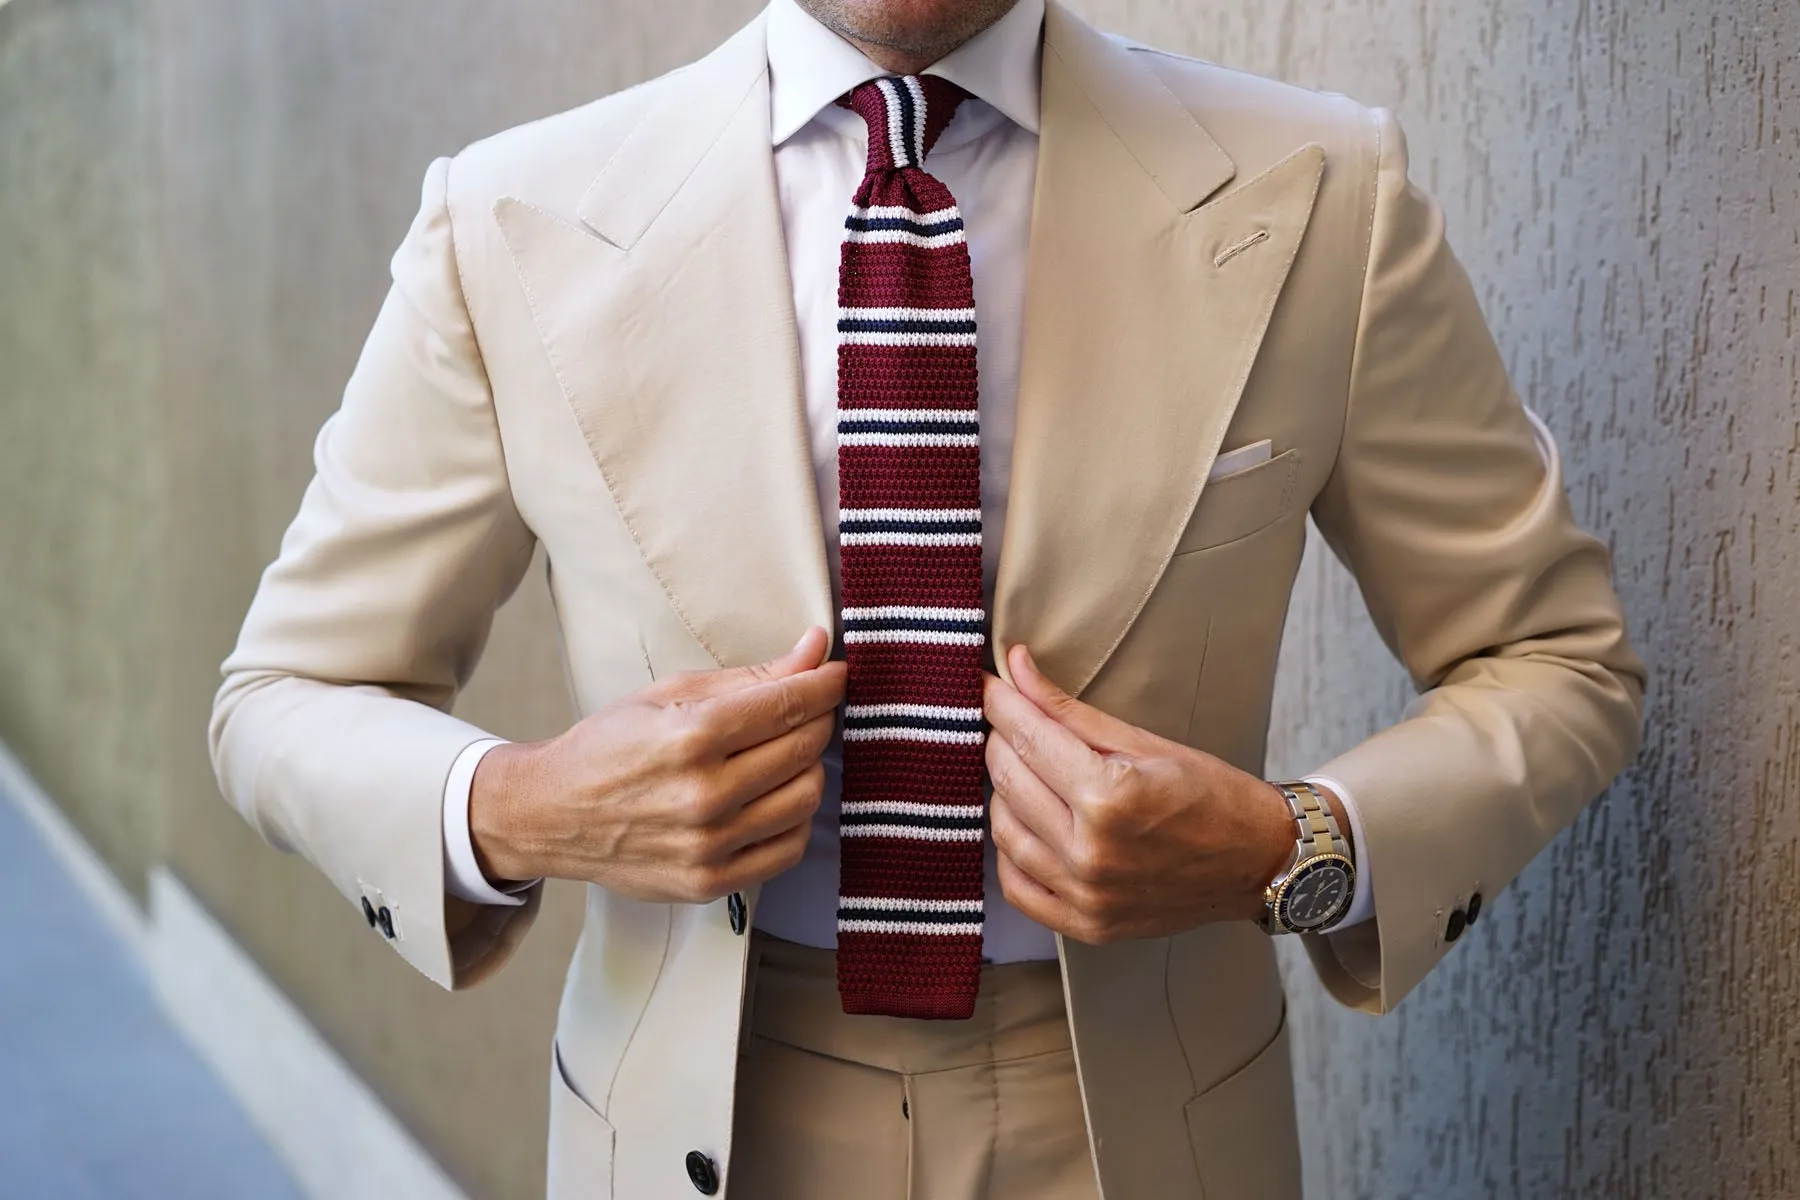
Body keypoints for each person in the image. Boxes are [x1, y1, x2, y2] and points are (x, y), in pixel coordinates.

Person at [208, 0, 1646, 1195]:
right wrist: (519, 807)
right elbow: (282, 698)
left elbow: (1557, 660)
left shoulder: (1327, 194)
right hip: (692, 1125)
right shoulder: (510, 217)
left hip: (1146, 1132)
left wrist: (1290, 843)